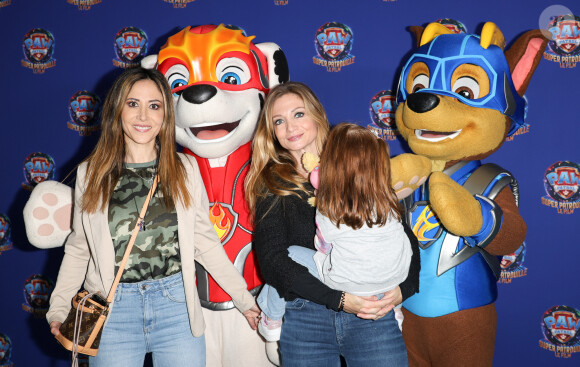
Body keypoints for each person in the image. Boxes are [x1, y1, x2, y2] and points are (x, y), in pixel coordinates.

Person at [46, 67, 260, 367]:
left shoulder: (185, 168)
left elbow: (206, 243)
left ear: (165, 115)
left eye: (154, 106)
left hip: (177, 307)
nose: (143, 116)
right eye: (133, 104)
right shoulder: (91, 174)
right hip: (114, 309)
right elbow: (79, 248)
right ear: (117, 109)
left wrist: (244, 299)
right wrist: (58, 308)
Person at [245, 81, 420, 367]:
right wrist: (338, 299)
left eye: (298, 114)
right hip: (306, 314)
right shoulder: (273, 182)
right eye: (279, 121)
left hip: (370, 312)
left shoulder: (354, 162)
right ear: (272, 132)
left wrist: (405, 289)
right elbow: (273, 259)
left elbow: (401, 235)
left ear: (317, 115)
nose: (290, 127)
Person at [255, 122, 412, 343]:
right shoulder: (388, 201)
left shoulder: (330, 208)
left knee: (290, 254)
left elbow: (323, 246)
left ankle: (271, 318)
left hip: (345, 284)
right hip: (392, 283)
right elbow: (401, 242)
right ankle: (394, 309)